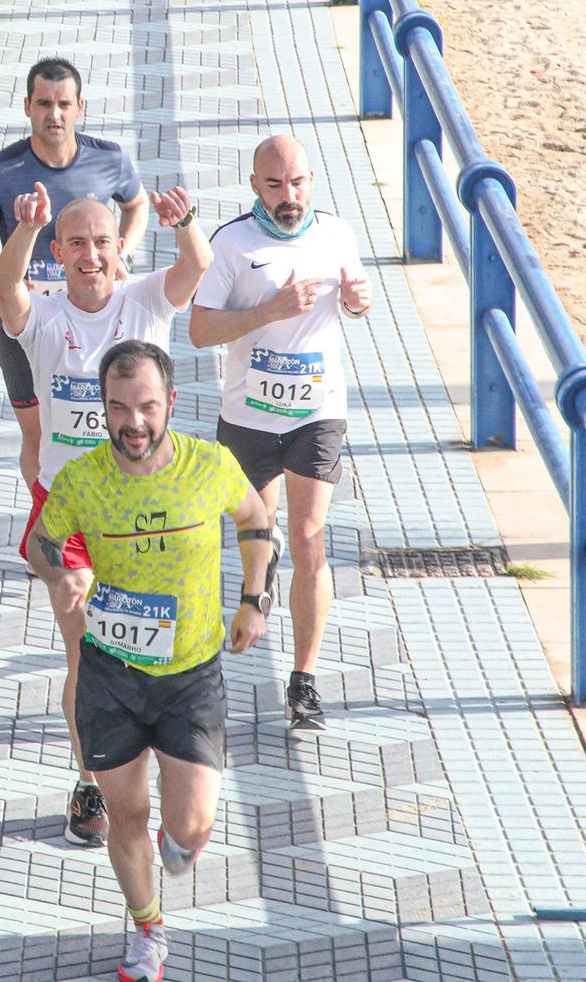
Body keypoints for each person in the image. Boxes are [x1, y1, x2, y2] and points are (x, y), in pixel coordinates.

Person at [27, 340, 274, 982]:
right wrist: (67, 570)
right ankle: (147, 932)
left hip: (190, 675)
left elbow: (254, 517)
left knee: (191, 824)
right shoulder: (83, 479)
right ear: (103, 409)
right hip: (110, 675)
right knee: (127, 814)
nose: (132, 423)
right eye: (118, 408)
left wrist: (255, 599)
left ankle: (179, 845)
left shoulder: (208, 465)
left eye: (145, 407)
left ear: (169, 402)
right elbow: (43, 543)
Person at [0, 181, 210, 847]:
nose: (90, 256)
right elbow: (6, 289)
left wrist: (185, 222)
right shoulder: (46, 316)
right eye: (76, 243)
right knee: (88, 653)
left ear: (121, 250)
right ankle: (89, 782)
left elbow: (195, 268)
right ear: (58, 251)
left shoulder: (144, 300)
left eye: (102, 242)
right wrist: (23, 229)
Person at [189, 135, 370, 731]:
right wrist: (270, 311)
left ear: (312, 180)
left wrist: (356, 301)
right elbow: (199, 331)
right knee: (256, 532)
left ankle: (304, 681)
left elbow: (355, 298)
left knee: (310, 536)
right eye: (274, 185)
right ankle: (255, 593)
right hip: (249, 417)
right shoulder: (232, 243)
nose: (288, 197)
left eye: (297, 183)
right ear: (253, 185)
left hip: (318, 411)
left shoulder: (337, 234)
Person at [0, 57, 147, 493]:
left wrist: (123, 253)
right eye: (44, 103)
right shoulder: (0, 171)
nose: (54, 114)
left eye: (64, 103)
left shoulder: (109, 159)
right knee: (39, 435)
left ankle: (102, 522)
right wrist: (1, 285)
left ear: (80, 106)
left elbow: (136, 205)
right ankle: (46, 528)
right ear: (27, 105)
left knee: (103, 428)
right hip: (28, 325)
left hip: (97, 322)